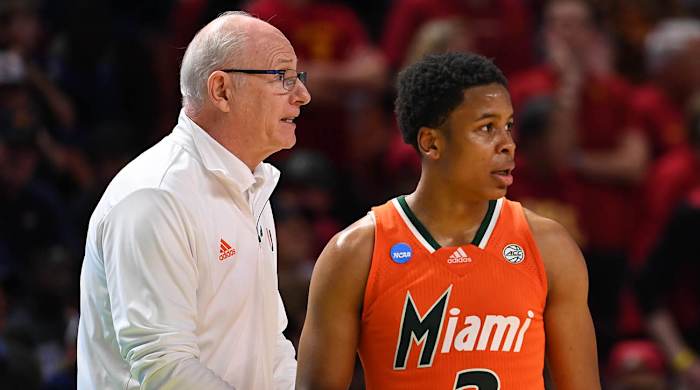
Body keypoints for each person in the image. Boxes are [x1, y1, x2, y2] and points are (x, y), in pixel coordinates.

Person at [296, 52, 599, 389]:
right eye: (486, 128)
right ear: (432, 142)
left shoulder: (549, 246)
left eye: (508, 126)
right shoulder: (354, 252)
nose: (508, 145)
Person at [77, 11, 311, 389]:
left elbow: (271, 347)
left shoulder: (252, 187)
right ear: (221, 90)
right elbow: (162, 366)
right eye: (282, 77)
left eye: (298, 77)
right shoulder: (156, 195)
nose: (302, 94)